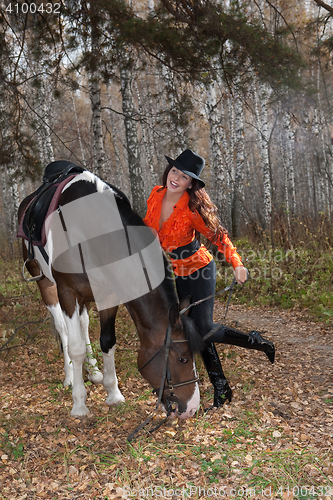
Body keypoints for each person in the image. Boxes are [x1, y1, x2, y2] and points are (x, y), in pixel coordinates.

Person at [143, 149, 275, 408]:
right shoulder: (155, 195)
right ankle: (222, 388)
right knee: (190, 332)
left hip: (200, 269)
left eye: (183, 176)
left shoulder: (192, 210)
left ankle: (254, 340)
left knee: (203, 328)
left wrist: (237, 264)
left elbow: (219, 237)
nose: (175, 178)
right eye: (174, 171)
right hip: (175, 273)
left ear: (191, 183)